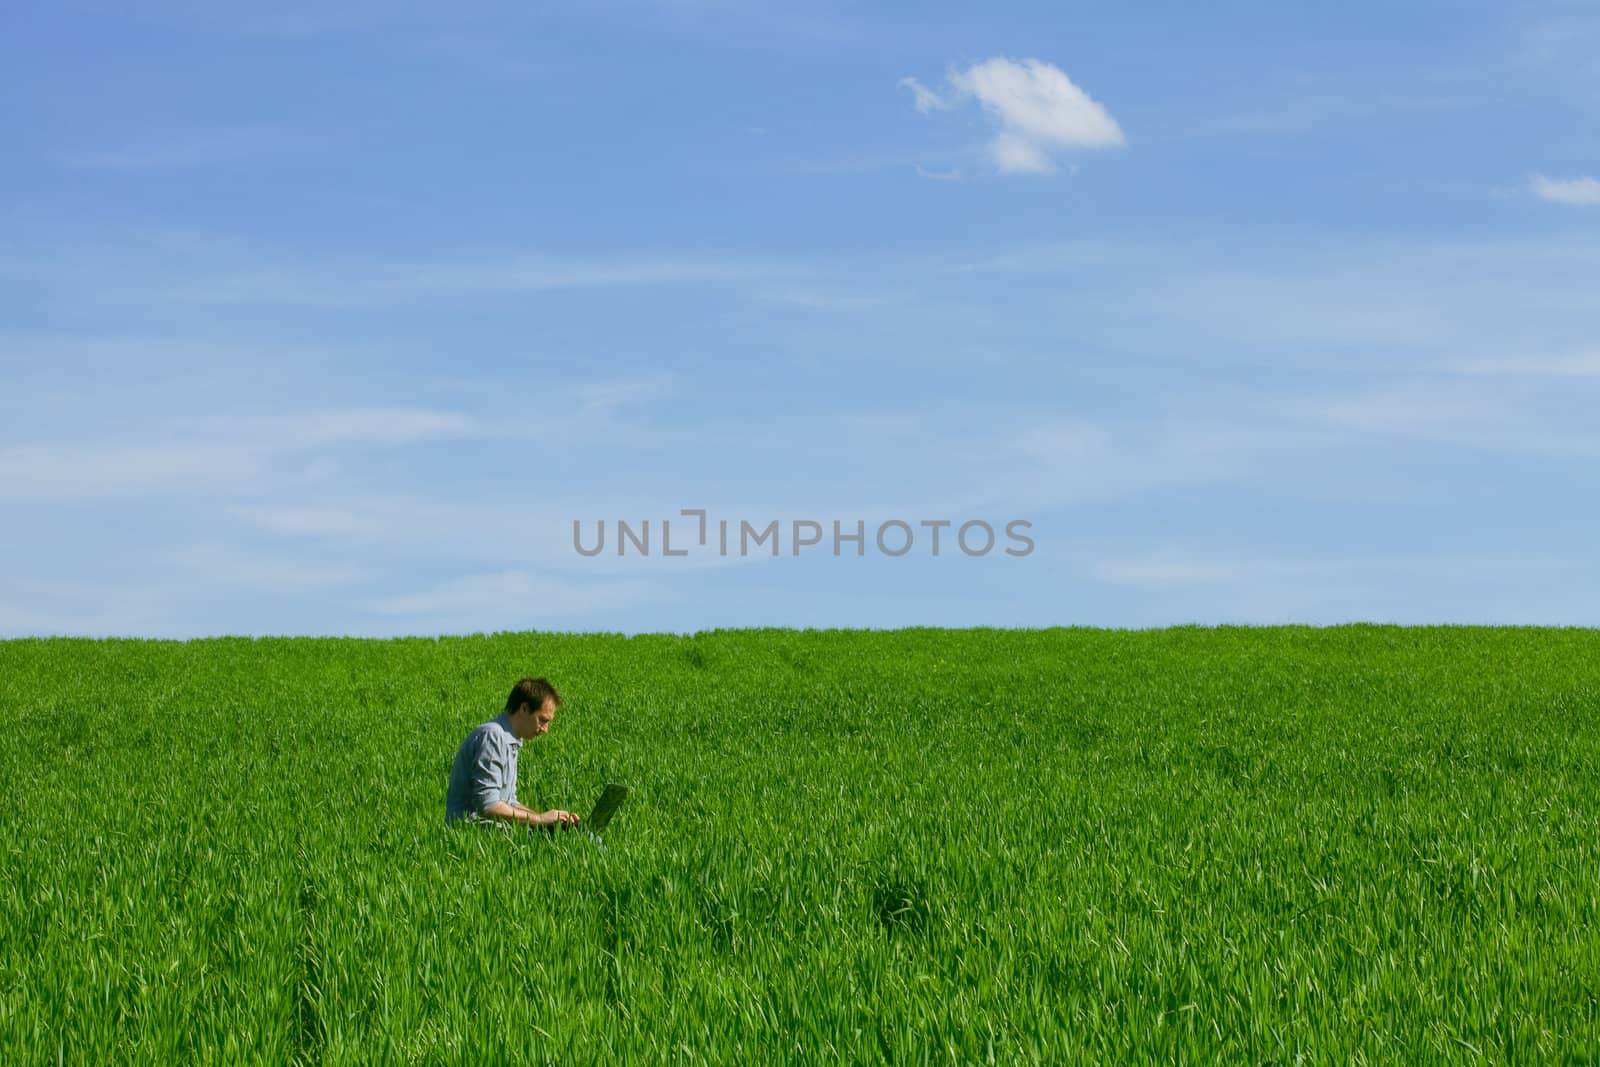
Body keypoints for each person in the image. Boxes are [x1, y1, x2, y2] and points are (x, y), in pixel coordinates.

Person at [445, 677, 582, 830]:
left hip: (495, 829)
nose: (545, 729)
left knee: (574, 833)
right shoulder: (493, 737)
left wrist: (549, 822)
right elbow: (488, 805)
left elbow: (509, 802)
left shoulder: (510, 741)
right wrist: (540, 819)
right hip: (472, 833)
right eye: (542, 720)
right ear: (524, 709)